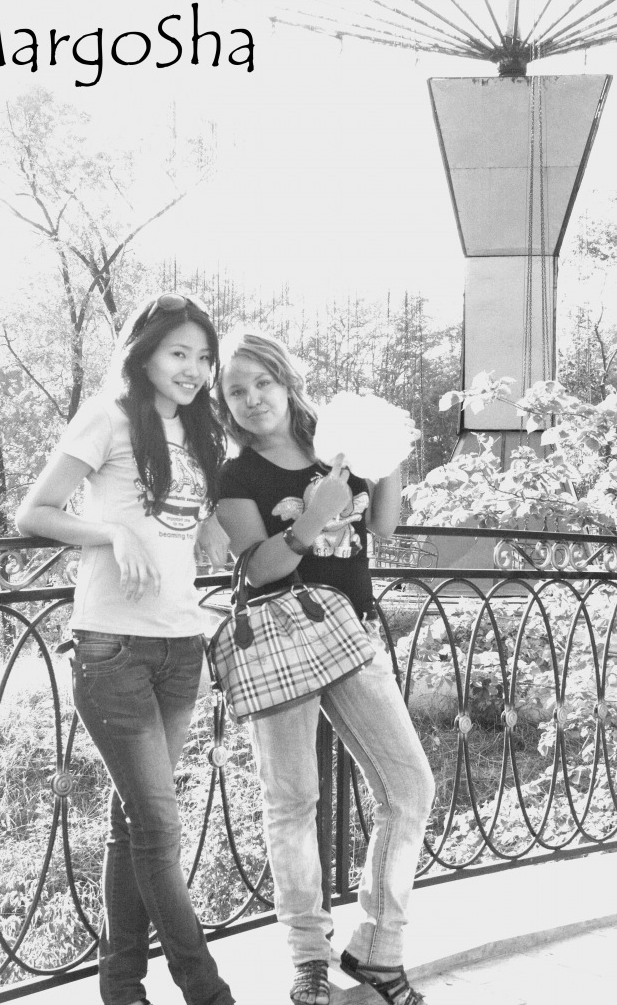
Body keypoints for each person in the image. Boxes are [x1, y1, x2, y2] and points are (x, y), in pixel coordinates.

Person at [15, 293, 234, 1005]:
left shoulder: (199, 432)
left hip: (182, 645)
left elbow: (187, 518)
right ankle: (206, 990)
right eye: (179, 353)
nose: (194, 369)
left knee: (134, 824)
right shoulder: (107, 417)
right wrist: (113, 533)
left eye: (204, 357)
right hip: (113, 649)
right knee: (160, 829)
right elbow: (34, 511)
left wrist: (209, 523)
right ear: (144, 354)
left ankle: (121, 987)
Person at [215, 332, 435, 1005]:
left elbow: (386, 528)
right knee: (292, 804)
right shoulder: (236, 476)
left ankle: (377, 949)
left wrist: (387, 454)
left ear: (287, 381)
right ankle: (308, 957)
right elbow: (259, 567)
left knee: (409, 789)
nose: (253, 399)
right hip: (282, 644)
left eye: (263, 382)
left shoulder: (338, 445)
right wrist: (312, 518)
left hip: (353, 635)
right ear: (225, 403)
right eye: (236, 390)